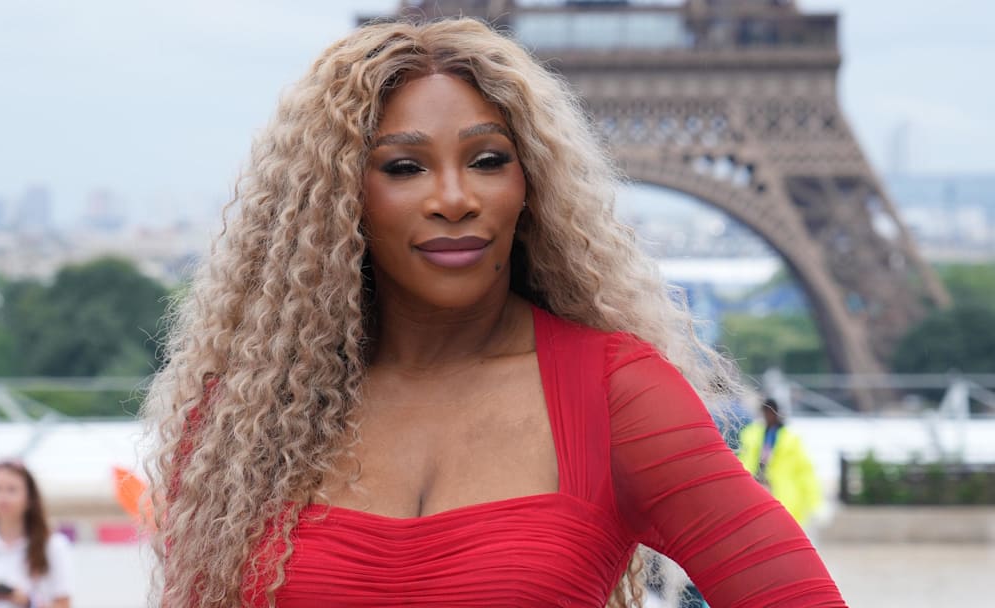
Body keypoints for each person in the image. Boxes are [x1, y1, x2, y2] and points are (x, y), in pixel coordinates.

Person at [144, 18, 846, 607]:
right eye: (403, 167)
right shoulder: (244, 418)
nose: (454, 197)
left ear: (530, 184)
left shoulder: (616, 396)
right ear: (336, 201)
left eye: (486, 159)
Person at [0, 461, 74, 608]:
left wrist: (29, 602)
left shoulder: (54, 546)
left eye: (12, 490)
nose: (2, 497)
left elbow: (64, 604)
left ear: (30, 498)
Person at [739, 397, 824, 528]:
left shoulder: (790, 440)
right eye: (765, 412)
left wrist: (814, 502)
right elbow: (744, 463)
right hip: (758, 493)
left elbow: (805, 471)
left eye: (770, 412)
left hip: (784, 495)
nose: (768, 416)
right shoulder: (752, 436)